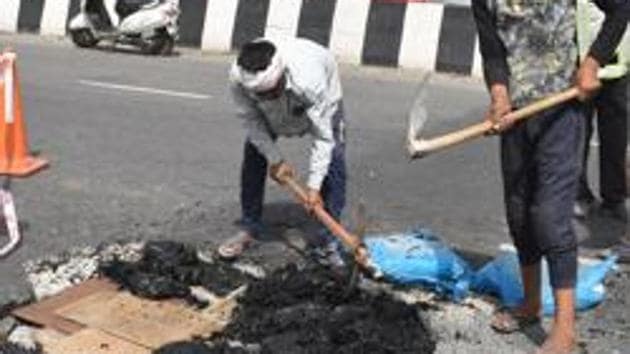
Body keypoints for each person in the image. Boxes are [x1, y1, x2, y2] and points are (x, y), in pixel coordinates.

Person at [472, 0, 629, 353]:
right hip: (516, 116)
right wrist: (498, 93)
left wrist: (591, 63)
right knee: (519, 212)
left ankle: (565, 329)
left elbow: (620, 9)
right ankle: (530, 304)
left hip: (562, 111)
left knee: (550, 218)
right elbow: (492, 48)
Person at [218, 37, 346, 268]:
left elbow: (323, 137)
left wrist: (314, 187)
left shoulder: (310, 79)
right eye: (261, 95)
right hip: (272, 113)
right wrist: (275, 159)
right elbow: (251, 121)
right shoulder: (238, 80)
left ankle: (329, 240)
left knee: (334, 160)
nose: (269, 98)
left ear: (282, 73)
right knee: (254, 153)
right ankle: (249, 226)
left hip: (314, 99)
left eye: (272, 90)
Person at [574, 0, 630, 222]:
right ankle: (577, 194)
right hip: (580, 68)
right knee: (577, 135)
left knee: (615, 138)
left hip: (618, 69)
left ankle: (614, 198)